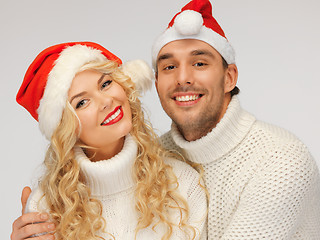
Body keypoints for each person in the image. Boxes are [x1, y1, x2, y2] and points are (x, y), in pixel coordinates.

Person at [151, 0, 320, 239]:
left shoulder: (281, 160)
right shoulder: (152, 160)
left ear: (229, 77)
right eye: (169, 67)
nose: (183, 78)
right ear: (156, 83)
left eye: (199, 63)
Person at [11, 41, 207, 240]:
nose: (106, 101)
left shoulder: (181, 184)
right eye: (82, 102)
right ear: (65, 129)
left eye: (105, 84)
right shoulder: (45, 208)